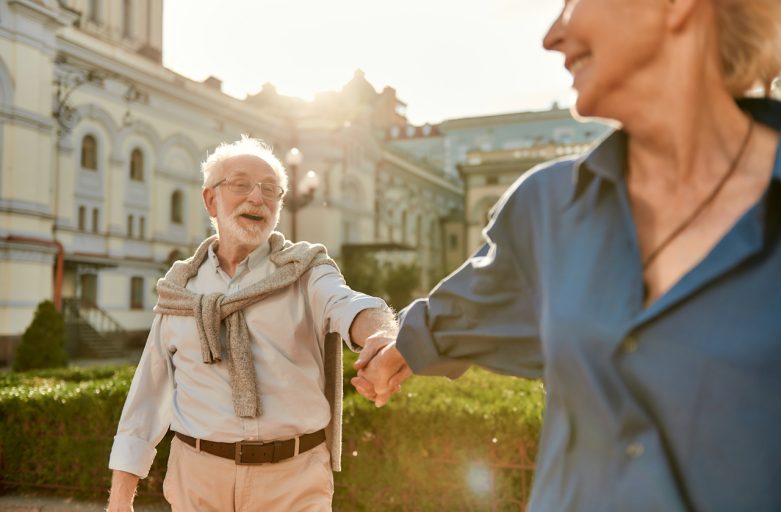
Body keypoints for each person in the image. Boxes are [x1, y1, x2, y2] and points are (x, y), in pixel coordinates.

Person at [353, 0, 781, 510]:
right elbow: (466, 315)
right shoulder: (546, 208)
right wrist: (394, 350)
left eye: (572, 2)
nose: (552, 34)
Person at [107, 136, 395, 512]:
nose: (257, 198)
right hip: (197, 481)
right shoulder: (179, 289)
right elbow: (148, 395)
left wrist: (382, 336)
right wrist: (119, 500)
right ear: (211, 199)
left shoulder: (306, 270)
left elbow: (349, 304)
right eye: (241, 185)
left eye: (270, 189)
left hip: (293, 484)